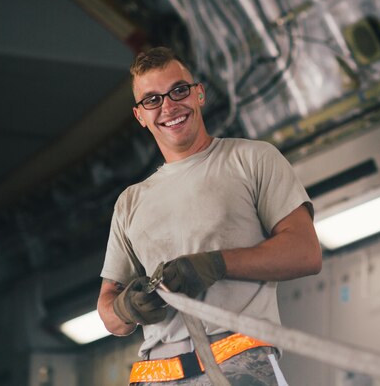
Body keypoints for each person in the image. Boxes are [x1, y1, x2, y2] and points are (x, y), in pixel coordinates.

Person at [97, 46, 322, 385]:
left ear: (199, 93)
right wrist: (127, 307)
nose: (169, 106)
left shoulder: (252, 159)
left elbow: (305, 252)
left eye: (178, 90)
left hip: (239, 362)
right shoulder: (130, 203)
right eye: (152, 100)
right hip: (158, 375)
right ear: (140, 116)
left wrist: (216, 264)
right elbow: (109, 314)